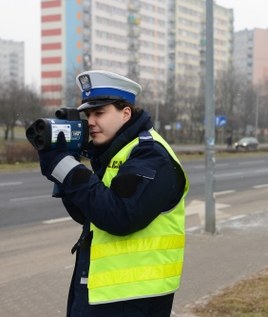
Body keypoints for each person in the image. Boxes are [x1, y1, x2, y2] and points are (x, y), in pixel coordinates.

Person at [37, 70, 189, 317]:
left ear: (125, 113)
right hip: (103, 292)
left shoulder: (150, 155)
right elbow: (88, 213)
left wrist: (68, 170)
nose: (91, 121)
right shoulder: (113, 153)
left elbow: (119, 216)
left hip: (134, 297)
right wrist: (66, 170)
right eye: (88, 114)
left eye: (99, 113)